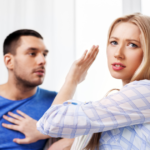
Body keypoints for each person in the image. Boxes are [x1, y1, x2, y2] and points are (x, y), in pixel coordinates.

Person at [37, 13, 150, 150]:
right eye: (113, 42)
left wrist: (72, 80)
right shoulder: (123, 103)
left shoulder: (145, 91)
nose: (118, 53)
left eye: (132, 45)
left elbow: (52, 122)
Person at [0, 29, 74, 150]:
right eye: (32, 53)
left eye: (44, 54)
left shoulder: (56, 101)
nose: (43, 61)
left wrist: (44, 131)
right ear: (9, 61)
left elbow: (88, 132)